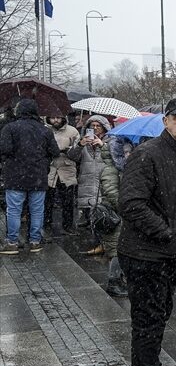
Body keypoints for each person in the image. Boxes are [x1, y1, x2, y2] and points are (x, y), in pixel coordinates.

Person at [117, 98, 176, 366]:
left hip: (164, 255)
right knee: (148, 321)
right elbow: (131, 204)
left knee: (157, 318)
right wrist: (167, 233)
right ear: (166, 120)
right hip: (145, 255)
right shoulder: (148, 154)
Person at [0, 98, 59, 254]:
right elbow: (55, 152)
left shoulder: (10, 128)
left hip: (15, 175)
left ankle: (12, 242)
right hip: (38, 176)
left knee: (13, 210)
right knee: (37, 210)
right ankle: (35, 241)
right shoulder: (45, 130)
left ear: (19, 111)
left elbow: (4, 150)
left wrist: (11, 160)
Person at [71, 115, 112, 254]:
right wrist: (80, 145)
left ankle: (105, 244)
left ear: (104, 128)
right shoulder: (81, 141)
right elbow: (72, 157)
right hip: (87, 183)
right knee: (92, 217)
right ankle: (98, 244)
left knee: (104, 215)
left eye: (97, 126)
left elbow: (115, 159)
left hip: (104, 182)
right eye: (92, 126)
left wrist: (103, 145)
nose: (94, 128)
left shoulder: (111, 141)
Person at [97, 137, 131, 297]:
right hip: (115, 215)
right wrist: (125, 207)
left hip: (124, 215)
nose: (128, 155)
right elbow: (111, 192)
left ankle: (120, 279)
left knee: (122, 249)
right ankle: (113, 281)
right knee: (116, 251)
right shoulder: (111, 169)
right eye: (125, 152)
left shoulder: (126, 169)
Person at [46, 114, 80, 237]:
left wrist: (70, 150)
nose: (55, 120)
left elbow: (78, 152)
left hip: (67, 169)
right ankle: (47, 225)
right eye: (53, 117)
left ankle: (68, 226)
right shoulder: (45, 130)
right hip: (50, 169)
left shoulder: (72, 131)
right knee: (47, 201)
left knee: (68, 201)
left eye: (58, 117)